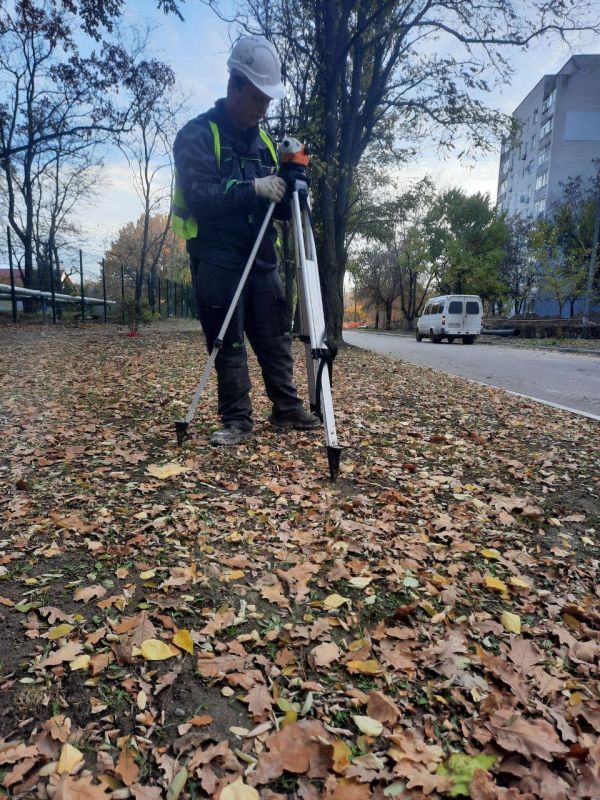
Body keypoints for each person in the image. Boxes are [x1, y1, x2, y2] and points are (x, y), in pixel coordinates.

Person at [172, 35, 319, 446]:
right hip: (218, 258)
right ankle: (237, 419)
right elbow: (200, 195)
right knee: (228, 340)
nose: (263, 108)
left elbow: (278, 204)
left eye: (268, 101)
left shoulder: (266, 142)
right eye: (257, 98)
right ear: (234, 86)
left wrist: (294, 191)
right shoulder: (198, 135)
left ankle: (286, 407)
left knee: (274, 335)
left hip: (262, 258)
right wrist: (252, 188)